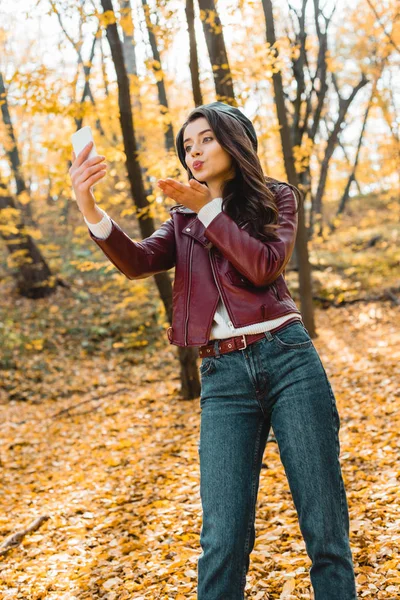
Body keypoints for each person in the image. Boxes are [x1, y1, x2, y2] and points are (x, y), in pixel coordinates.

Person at [69, 101, 357, 600]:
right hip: (223, 378)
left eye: (206, 139)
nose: (194, 151)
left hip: (289, 360)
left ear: (234, 140)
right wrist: (89, 206)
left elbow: (264, 266)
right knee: (221, 539)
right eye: (187, 144)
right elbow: (137, 262)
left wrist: (207, 207)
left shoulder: (276, 198)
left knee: (325, 530)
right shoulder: (182, 219)